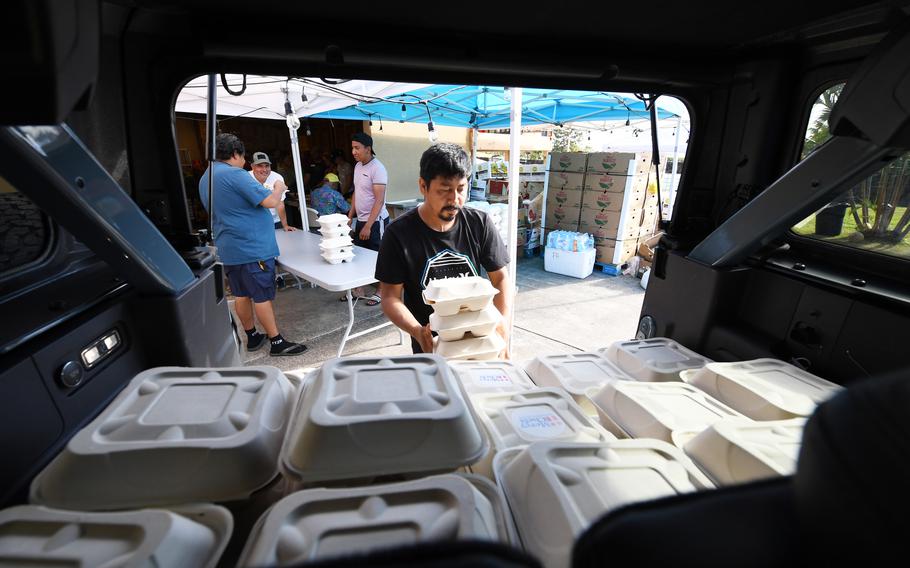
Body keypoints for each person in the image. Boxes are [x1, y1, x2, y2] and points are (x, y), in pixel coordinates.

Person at [375, 143, 512, 357]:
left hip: (480, 340)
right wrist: (417, 331)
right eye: (444, 190)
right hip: (431, 344)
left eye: (460, 189)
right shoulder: (398, 234)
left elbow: (500, 278)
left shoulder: (479, 223)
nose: (454, 199)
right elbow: (390, 297)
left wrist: (502, 323)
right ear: (423, 186)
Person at [199, 133, 307, 357]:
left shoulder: (206, 177)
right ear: (235, 154)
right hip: (252, 247)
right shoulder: (235, 174)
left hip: (228, 247)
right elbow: (270, 201)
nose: (244, 162)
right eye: (243, 156)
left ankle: (252, 336)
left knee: (241, 294)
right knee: (261, 296)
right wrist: (278, 186)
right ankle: (276, 342)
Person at [349, 132, 389, 305]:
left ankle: (381, 291)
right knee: (360, 255)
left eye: (357, 148)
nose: (353, 151)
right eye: (352, 148)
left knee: (378, 257)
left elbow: (379, 200)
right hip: (362, 220)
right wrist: (350, 215)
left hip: (376, 221)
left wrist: (368, 226)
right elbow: (357, 192)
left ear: (368, 148)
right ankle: (359, 289)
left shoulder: (377, 168)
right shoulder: (358, 166)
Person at [249, 151, 296, 231]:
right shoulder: (246, 178)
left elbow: (280, 204)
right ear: (252, 166)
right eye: (260, 166)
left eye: (267, 166)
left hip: (274, 222)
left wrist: (285, 225)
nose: (264, 169)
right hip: (254, 223)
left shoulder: (277, 177)